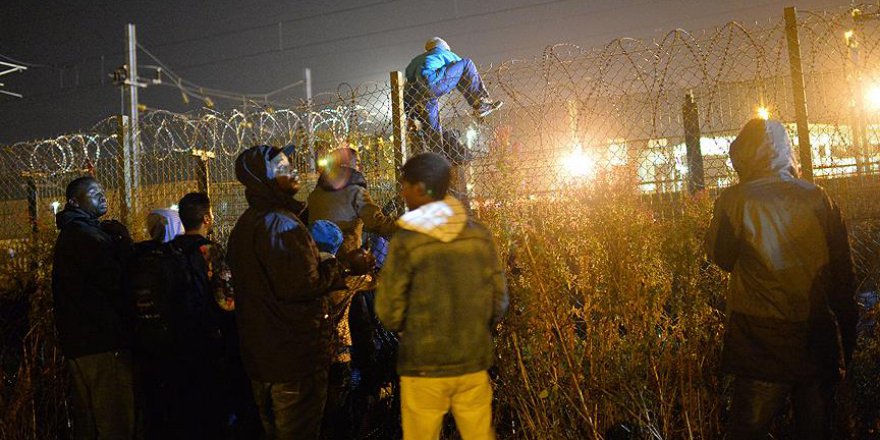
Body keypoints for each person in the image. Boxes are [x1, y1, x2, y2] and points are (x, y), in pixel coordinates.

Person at [704, 119, 858, 439]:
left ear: (742, 155)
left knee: (747, 429)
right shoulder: (818, 197)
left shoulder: (735, 201)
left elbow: (721, 256)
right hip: (815, 337)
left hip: (761, 339)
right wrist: (847, 338)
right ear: (787, 150)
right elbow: (843, 274)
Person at [375, 152, 509, 440]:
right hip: (472, 359)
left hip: (422, 363)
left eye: (405, 186)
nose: (402, 192)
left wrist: (408, 329)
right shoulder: (479, 235)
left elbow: (388, 309)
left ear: (421, 190)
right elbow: (499, 300)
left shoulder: (405, 242)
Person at [228, 145, 346, 439]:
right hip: (295, 359)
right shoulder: (281, 224)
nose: (292, 171)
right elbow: (303, 286)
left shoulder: (246, 225)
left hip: (264, 359)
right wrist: (337, 264)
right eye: (281, 168)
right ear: (262, 180)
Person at [52, 176, 135, 439]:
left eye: (102, 190)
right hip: (102, 344)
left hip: (82, 345)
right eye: (93, 192)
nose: (102, 195)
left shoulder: (76, 233)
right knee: (116, 423)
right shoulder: (86, 236)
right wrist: (124, 244)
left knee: (89, 424)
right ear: (74, 201)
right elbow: (117, 281)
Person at [307, 147, 398, 255]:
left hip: (317, 252)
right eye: (357, 163)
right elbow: (376, 222)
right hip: (346, 254)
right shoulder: (356, 191)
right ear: (346, 165)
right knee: (378, 238)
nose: (360, 167)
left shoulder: (316, 193)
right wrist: (406, 223)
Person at [404, 37, 503, 134]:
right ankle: (480, 104)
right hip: (433, 85)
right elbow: (463, 72)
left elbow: (408, 74)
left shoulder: (417, 60)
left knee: (433, 132)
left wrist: (409, 114)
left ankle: (420, 133)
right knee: (466, 64)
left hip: (414, 94)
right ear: (444, 47)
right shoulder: (444, 53)